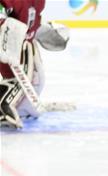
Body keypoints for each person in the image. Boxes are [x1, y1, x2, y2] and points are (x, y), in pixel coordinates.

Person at [0, 0, 70, 129]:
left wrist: (43, 30)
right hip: (6, 47)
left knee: (35, 87)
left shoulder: (38, 2)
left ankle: (14, 104)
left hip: (19, 49)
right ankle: (2, 106)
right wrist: (4, 27)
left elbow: (30, 22)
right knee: (22, 86)